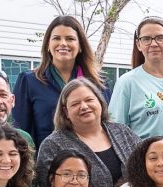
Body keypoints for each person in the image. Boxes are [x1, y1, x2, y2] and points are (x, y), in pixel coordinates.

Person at [12, 14, 102, 148]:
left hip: (91, 162)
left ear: (80, 45)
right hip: (46, 162)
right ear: (48, 44)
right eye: (56, 38)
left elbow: (105, 127)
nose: (63, 43)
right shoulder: (29, 81)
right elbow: (20, 134)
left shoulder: (98, 83)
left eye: (70, 38)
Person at [107, 17, 163, 138]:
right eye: (146, 39)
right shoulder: (127, 82)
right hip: (142, 156)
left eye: (160, 38)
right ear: (139, 45)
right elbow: (115, 132)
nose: (153, 44)